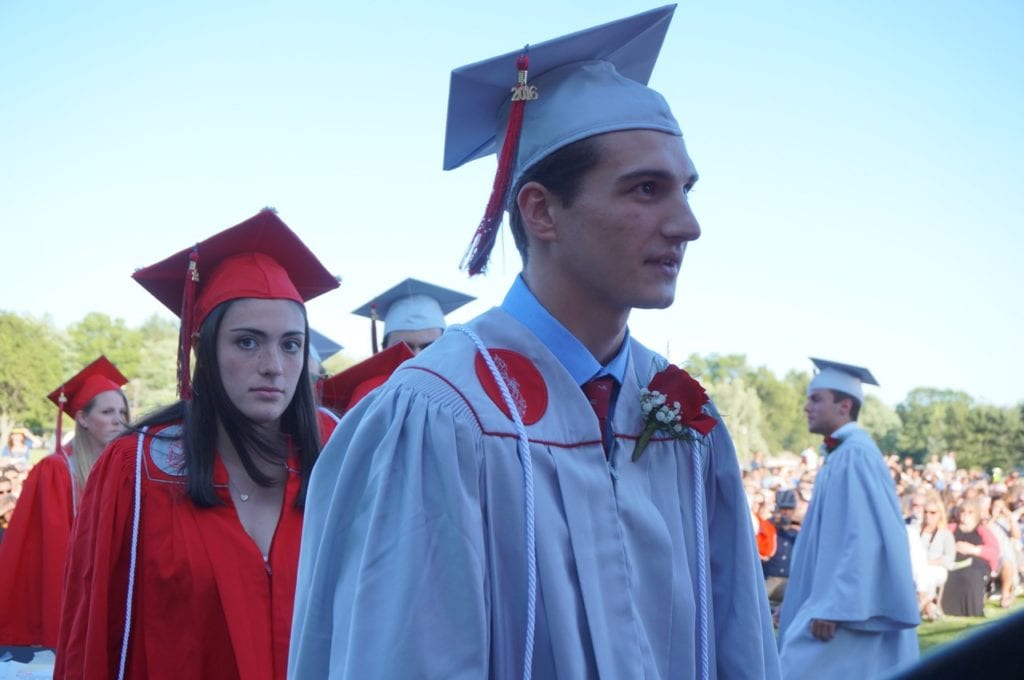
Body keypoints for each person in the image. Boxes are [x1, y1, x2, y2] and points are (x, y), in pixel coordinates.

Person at [290, 7, 780, 679]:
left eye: (686, 190)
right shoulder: (441, 413)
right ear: (542, 211)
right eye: (646, 189)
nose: (687, 225)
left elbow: (739, 645)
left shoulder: (681, 414)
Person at [55, 209, 339, 679]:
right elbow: (92, 632)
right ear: (202, 350)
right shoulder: (137, 471)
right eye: (248, 343)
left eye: (291, 345)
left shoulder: (337, 461)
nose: (273, 365)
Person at [778, 358, 919, 679]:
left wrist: (836, 606)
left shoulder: (855, 455)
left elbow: (862, 535)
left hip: (846, 607)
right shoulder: (843, 453)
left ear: (844, 406)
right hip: (836, 600)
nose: (806, 407)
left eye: (816, 399)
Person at [0, 356, 129, 648]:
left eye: (123, 411)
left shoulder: (125, 468)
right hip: (78, 592)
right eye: (107, 411)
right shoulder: (58, 470)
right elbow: (56, 552)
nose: (118, 419)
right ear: (82, 418)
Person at [352, 277, 474, 355]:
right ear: (384, 349)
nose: (416, 356)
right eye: (402, 348)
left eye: (429, 347)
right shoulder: (370, 394)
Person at [941, 499, 997, 617]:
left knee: (971, 575)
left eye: (970, 512)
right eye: (962, 511)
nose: (965, 514)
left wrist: (973, 549)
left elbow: (994, 552)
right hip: (953, 563)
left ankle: (972, 610)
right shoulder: (950, 528)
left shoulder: (982, 531)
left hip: (976, 564)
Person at [916, 490, 955, 620]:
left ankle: (921, 606)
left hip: (937, 568)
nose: (928, 516)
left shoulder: (945, 534)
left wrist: (932, 562)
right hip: (918, 569)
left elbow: (950, 559)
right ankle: (929, 608)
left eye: (933, 512)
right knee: (920, 574)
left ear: (940, 514)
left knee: (927, 575)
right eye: (925, 512)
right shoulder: (916, 530)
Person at [764, 489, 801, 609]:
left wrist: (793, 528)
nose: (785, 513)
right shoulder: (768, 526)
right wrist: (774, 524)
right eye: (782, 509)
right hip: (769, 578)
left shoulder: (798, 528)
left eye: (789, 509)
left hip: (790, 581)